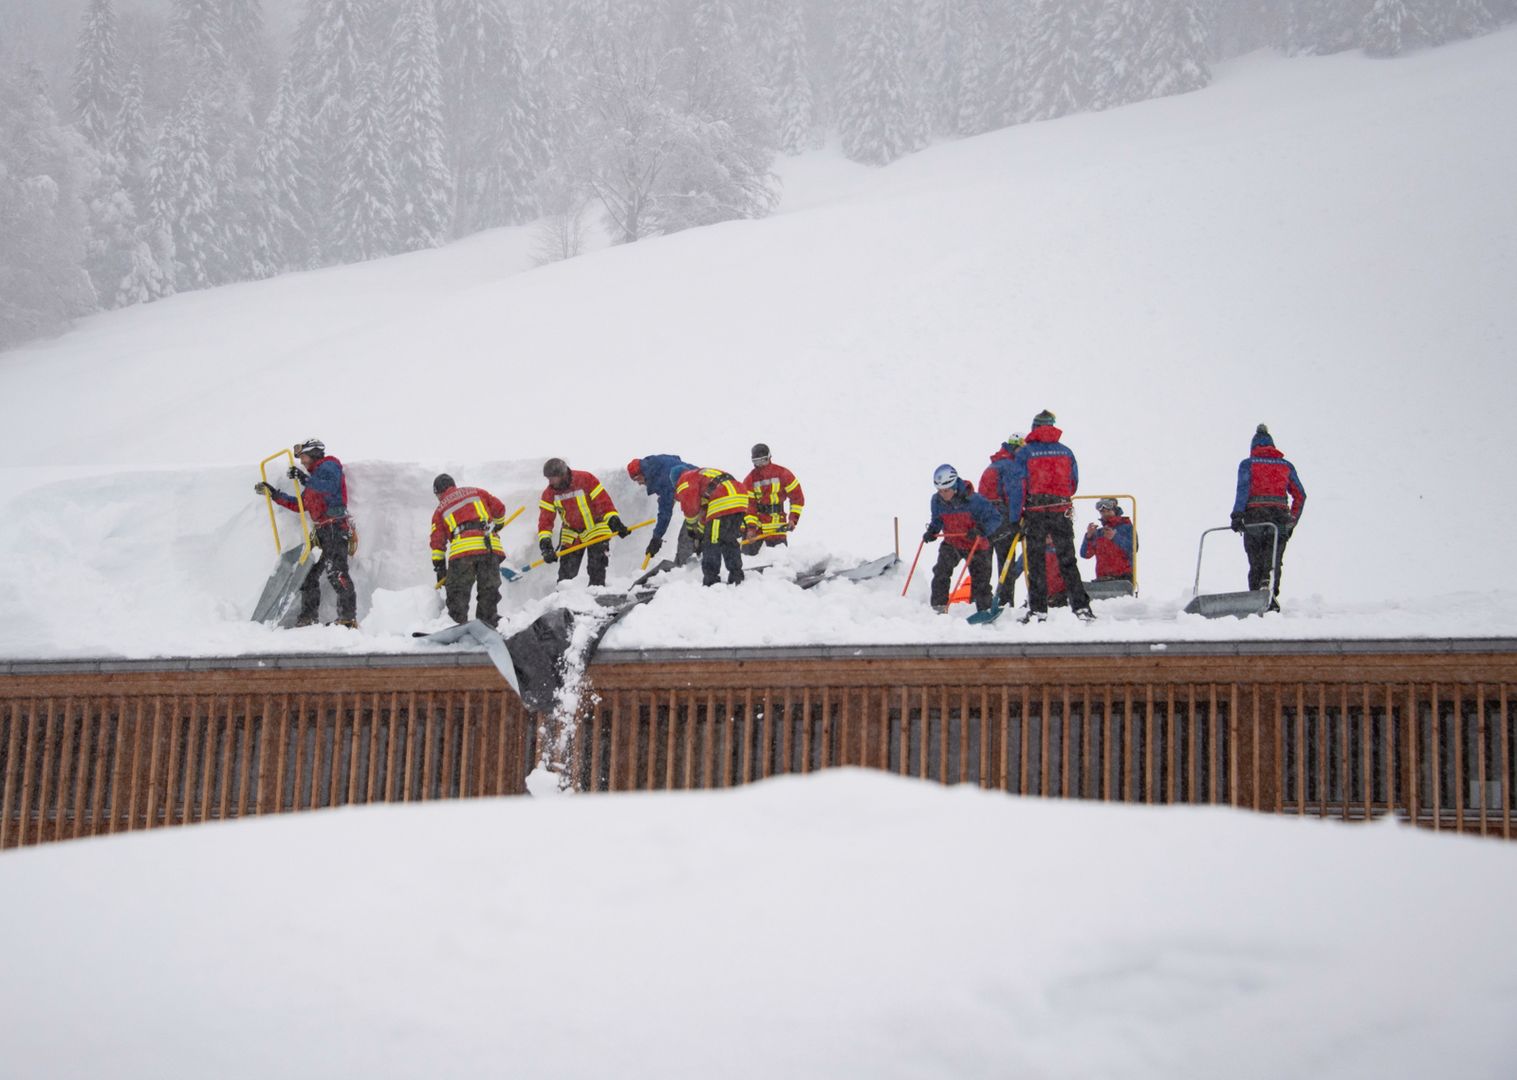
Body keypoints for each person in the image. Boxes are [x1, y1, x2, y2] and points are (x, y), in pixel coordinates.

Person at [253, 437, 358, 628]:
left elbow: (329, 486)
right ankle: (308, 617)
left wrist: (305, 479)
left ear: (315, 452)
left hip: (335, 528)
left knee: (337, 573)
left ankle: (348, 619)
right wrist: (274, 494)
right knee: (309, 576)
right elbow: (300, 505)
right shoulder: (313, 481)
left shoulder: (330, 465)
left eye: (304, 457)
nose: (302, 462)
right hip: (322, 533)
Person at [1006, 410, 1094, 623]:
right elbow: (1073, 485)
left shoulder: (1025, 454)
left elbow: (1018, 488)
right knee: (1067, 561)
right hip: (1060, 510)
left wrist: (1014, 518)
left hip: (1036, 513)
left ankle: (1038, 609)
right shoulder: (1066, 452)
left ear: (1034, 428)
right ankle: (1081, 607)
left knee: (1036, 563)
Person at [1231, 424, 1306, 612]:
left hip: (1254, 518)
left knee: (1255, 559)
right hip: (1278, 519)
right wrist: (1292, 520)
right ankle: (1269, 594)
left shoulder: (1248, 464)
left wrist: (1237, 515)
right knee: (1273, 558)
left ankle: (1256, 595)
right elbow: (1300, 495)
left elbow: (1242, 491)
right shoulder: (1286, 466)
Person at [923, 464, 1006, 614]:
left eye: (946, 491)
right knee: (941, 572)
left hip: (976, 546)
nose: (943, 494)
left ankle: (984, 610)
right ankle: (938, 608)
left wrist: (980, 529)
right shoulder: (936, 501)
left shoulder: (975, 501)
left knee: (981, 581)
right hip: (952, 542)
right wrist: (932, 531)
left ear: (954, 486)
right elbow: (937, 520)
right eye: (939, 491)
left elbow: (995, 518)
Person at [536, 458, 632, 587]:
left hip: (595, 527)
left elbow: (603, 502)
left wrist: (614, 521)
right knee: (566, 575)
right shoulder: (549, 494)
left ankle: (596, 594)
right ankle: (563, 600)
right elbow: (545, 520)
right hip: (572, 533)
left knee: (596, 566)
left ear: (563, 474)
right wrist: (545, 545)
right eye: (548, 479)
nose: (550, 482)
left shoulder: (586, 479)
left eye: (553, 478)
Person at [429, 474, 508, 629]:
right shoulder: (476, 492)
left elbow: (437, 542)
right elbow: (499, 509)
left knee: (458, 592)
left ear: (438, 492)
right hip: (488, 548)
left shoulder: (440, 509)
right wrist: (497, 525)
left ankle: (457, 625)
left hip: (463, 552)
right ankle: (487, 622)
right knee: (488, 588)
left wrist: (439, 567)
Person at [675, 466, 759, 586]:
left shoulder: (684, 479)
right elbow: (706, 517)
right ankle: (736, 575)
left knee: (712, 542)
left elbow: (691, 509)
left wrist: (691, 531)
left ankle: (711, 579)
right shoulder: (704, 477)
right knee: (728, 539)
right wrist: (699, 534)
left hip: (723, 499)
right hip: (740, 497)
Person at [978, 432, 1025, 606]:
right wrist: (1015, 521)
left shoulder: (994, 465)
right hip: (1001, 514)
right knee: (1006, 561)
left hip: (984, 516)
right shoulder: (1011, 466)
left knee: (983, 562)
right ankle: (1005, 602)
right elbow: (1015, 496)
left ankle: (981, 601)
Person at [627, 455, 698, 566]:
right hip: (705, 494)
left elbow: (665, 513)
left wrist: (656, 537)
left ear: (641, 473)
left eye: (637, 480)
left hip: (704, 499)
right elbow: (676, 459)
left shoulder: (662, 479)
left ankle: (686, 571)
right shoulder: (658, 464)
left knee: (687, 540)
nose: (639, 484)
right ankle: (691, 567)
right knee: (695, 537)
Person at [743, 443, 806, 554]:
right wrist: (751, 528)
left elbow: (797, 498)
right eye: (757, 462)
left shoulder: (783, 474)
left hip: (777, 525)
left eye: (763, 460)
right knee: (748, 557)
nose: (760, 464)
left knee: (779, 558)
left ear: (769, 457)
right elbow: (749, 506)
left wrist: (793, 519)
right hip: (758, 526)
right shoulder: (750, 479)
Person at [1080, 497, 1135, 582]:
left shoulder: (1126, 527)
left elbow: (1133, 548)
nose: (1106, 514)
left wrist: (1115, 537)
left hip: (1123, 579)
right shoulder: (1099, 533)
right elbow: (1085, 554)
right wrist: (1089, 536)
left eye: (1109, 511)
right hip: (1103, 580)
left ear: (1115, 511)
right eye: (1102, 512)